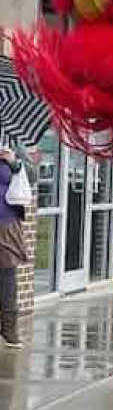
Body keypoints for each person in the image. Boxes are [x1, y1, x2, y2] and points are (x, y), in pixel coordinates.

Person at [0, 147, 29, 349]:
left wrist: (14, 161)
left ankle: (9, 330)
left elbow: (33, 176)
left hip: (7, 224)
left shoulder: (11, 149)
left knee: (7, 275)